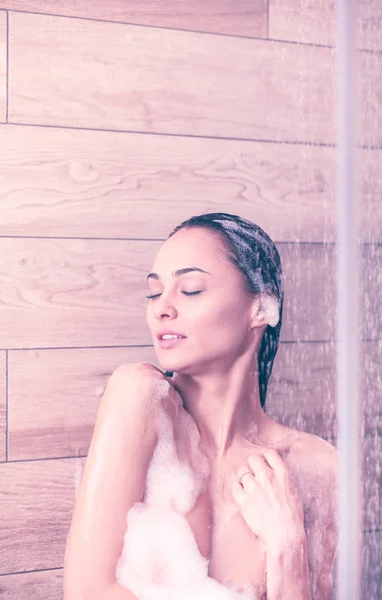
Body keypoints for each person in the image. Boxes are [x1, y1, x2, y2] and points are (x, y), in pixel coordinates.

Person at [63, 212, 338, 600]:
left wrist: (288, 548)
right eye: (154, 292)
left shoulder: (316, 467)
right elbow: (86, 593)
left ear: (261, 308)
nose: (162, 307)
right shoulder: (141, 400)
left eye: (190, 289)